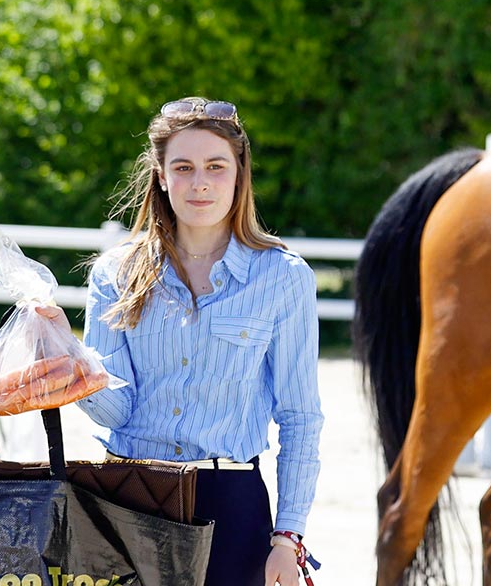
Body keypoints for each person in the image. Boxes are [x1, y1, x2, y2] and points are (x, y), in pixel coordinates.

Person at [77, 98, 323, 586]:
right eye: (183, 167)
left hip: (231, 503)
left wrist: (287, 536)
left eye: (216, 166)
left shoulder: (283, 277)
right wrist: (71, 367)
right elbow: (116, 411)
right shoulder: (115, 273)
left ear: (239, 174)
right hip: (127, 497)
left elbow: (300, 416)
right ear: (162, 176)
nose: (200, 182)